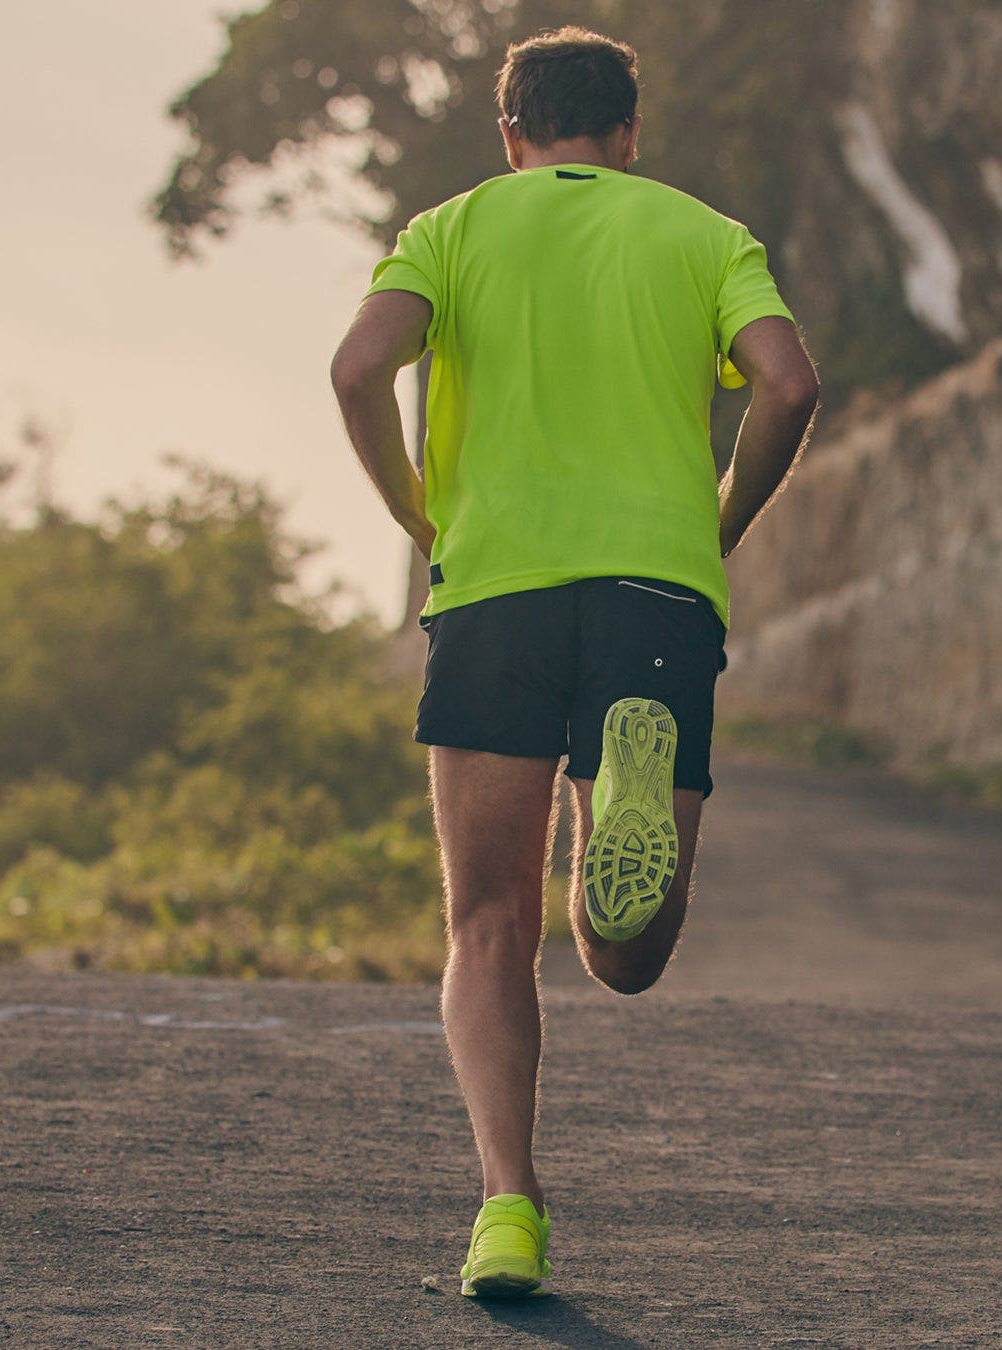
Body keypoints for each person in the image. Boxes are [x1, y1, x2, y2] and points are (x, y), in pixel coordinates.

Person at [327, 26, 820, 1299]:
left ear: (512, 135)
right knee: (627, 958)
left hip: (495, 592)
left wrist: (412, 508)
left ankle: (508, 1210)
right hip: (656, 586)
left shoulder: (449, 228)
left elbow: (358, 365)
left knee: (489, 924)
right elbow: (787, 383)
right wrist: (722, 519)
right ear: (628, 133)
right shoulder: (707, 236)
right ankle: (626, 800)